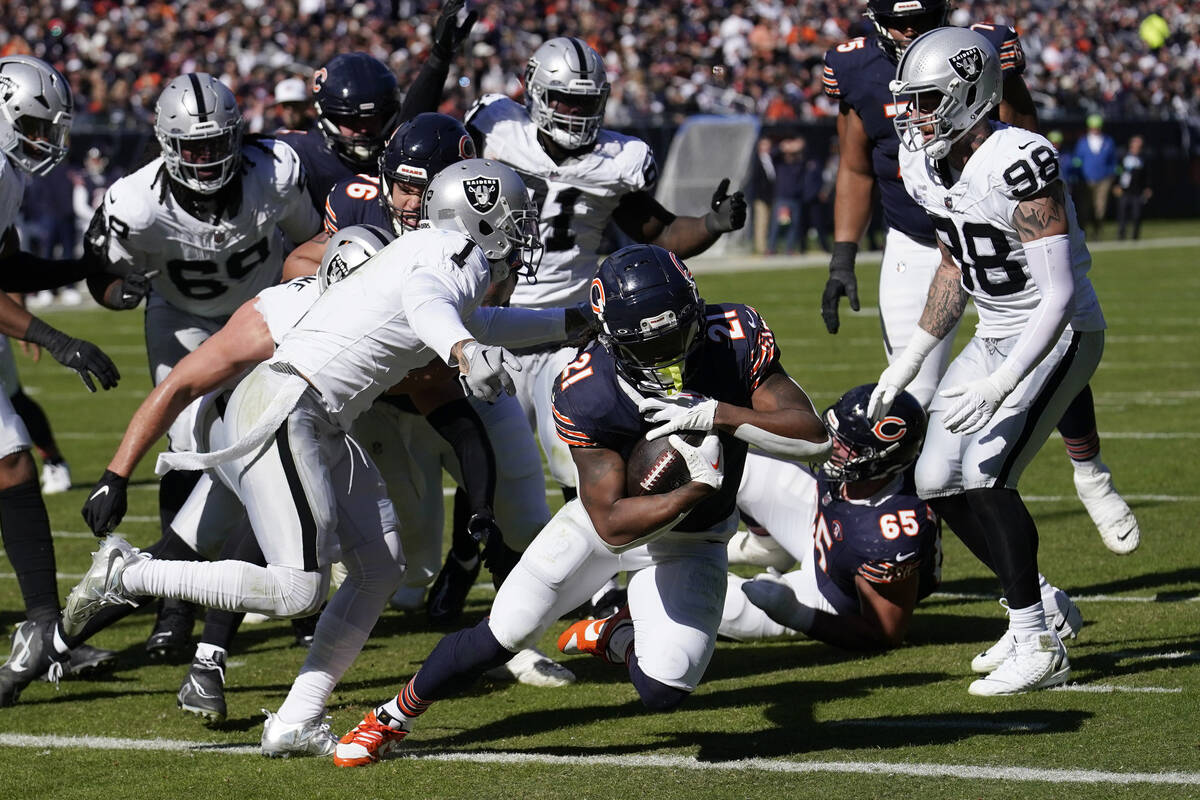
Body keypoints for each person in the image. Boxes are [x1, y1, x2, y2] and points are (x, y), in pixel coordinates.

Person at [64, 159, 581, 755]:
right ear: (477, 217)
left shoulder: (438, 257)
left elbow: (482, 317)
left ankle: (295, 719)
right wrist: (463, 349)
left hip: (314, 413)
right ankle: (129, 572)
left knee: (379, 568)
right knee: (296, 590)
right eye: (513, 219)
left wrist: (571, 324)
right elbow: (431, 305)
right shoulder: (449, 256)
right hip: (290, 404)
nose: (521, 233)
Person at [332, 243, 831, 768]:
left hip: (694, 540)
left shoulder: (732, 333)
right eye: (648, 345)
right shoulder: (586, 387)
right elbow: (612, 525)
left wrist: (720, 415)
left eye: (674, 335)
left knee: (665, 690)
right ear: (612, 338)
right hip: (606, 522)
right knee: (506, 633)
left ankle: (616, 635)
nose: (666, 356)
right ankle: (389, 718)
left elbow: (814, 436)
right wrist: (695, 488)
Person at [818, 0, 1138, 556]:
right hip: (923, 239)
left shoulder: (981, 49)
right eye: (900, 22)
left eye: (923, 19)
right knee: (912, 398)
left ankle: (1089, 471)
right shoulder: (855, 67)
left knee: (1050, 335)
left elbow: (1021, 133)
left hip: (996, 225)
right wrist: (843, 254)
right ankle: (948, 546)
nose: (911, 31)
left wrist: (1003, 211)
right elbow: (854, 164)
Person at [465, 37, 746, 616]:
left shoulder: (616, 159)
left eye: (587, 102)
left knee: (578, 459)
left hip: (568, 328)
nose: (577, 114)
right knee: (483, 462)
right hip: (490, 325)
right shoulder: (496, 130)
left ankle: (597, 588)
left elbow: (658, 233)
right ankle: (466, 565)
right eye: (565, 100)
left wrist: (711, 224)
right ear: (537, 95)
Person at [869, 28, 1108, 695]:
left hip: (1059, 333)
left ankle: (1036, 639)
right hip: (996, 329)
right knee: (935, 478)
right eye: (907, 102)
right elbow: (954, 266)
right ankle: (1036, 608)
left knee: (983, 474)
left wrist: (1004, 380)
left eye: (924, 100)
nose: (911, 116)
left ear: (968, 94)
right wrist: (911, 358)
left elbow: (1058, 294)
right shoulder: (926, 164)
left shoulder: (1018, 159)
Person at [296, 113, 570, 686]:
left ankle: (515, 640)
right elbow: (297, 263)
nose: (408, 199)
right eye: (402, 183)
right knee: (409, 564)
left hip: (457, 379)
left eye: (424, 187)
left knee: (524, 515)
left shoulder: (482, 216)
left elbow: (489, 307)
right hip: (384, 401)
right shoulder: (360, 208)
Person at [81, 72, 324, 659]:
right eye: (193, 147)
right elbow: (100, 275)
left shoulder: (275, 170)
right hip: (181, 318)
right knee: (190, 445)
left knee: (274, 441)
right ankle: (177, 606)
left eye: (217, 144)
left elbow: (312, 242)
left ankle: (284, 585)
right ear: (167, 144)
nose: (208, 158)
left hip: (260, 311)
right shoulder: (134, 203)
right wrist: (120, 293)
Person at [0, 54, 123, 707]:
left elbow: (6, 269)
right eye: (35, 126)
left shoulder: (7, 172)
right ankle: (44, 626)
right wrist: (55, 337)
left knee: (12, 465)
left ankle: (44, 627)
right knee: (13, 463)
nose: (47, 141)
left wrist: (80, 269)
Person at [720, 386, 938, 649]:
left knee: (709, 603)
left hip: (832, 593)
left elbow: (884, 632)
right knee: (727, 464)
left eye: (846, 447)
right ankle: (768, 547)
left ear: (879, 461)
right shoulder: (863, 473)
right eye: (835, 434)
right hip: (820, 520)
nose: (830, 445)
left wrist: (796, 614)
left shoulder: (890, 532)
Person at [275, 0, 476, 210]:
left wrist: (438, 59)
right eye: (351, 120)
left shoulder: (391, 147)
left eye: (373, 118)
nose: (363, 128)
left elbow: (412, 121)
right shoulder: (299, 152)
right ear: (328, 115)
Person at [1071, 114, 1117, 240]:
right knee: (1085, 208)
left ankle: (1097, 232)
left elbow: (1113, 161)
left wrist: (1112, 175)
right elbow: (1077, 159)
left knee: (1100, 208)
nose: (1095, 129)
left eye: (1097, 127)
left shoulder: (1108, 141)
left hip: (1104, 180)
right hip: (1086, 180)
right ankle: (1083, 232)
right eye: (1093, 127)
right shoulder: (1082, 142)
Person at [1115, 135, 1151, 241]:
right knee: (1122, 214)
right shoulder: (1123, 157)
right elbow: (1118, 171)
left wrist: (1147, 188)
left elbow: (1147, 175)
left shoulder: (1143, 159)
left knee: (1137, 214)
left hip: (1137, 191)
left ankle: (1135, 236)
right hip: (1125, 190)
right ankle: (1121, 236)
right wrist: (1116, 185)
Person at [748, 137, 776, 255]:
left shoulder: (770, 159)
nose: (767, 147)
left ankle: (768, 246)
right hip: (760, 197)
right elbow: (755, 180)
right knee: (761, 222)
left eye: (768, 145)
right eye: (764, 145)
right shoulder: (756, 160)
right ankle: (761, 248)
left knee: (768, 223)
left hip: (770, 196)